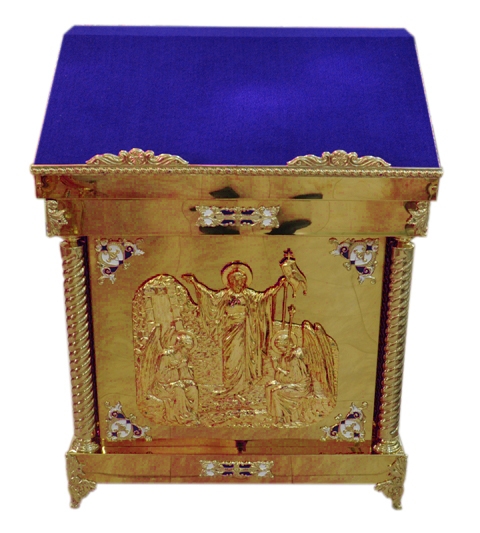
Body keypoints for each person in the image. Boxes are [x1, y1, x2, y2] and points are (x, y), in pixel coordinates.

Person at [182, 262, 285, 395]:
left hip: (244, 331)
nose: (238, 283)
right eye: (235, 280)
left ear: (244, 282)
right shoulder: (225, 295)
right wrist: (194, 283)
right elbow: (209, 296)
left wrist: (278, 286)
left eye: (240, 281)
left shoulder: (249, 295)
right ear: (230, 282)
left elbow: (264, 297)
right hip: (228, 331)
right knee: (230, 360)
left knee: (241, 357)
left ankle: (242, 386)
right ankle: (230, 386)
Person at [148, 331, 199, 424]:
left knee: (193, 390)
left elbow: (186, 376)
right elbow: (160, 376)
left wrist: (188, 381)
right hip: (164, 386)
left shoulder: (184, 359)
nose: (187, 352)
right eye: (186, 349)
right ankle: (181, 415)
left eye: (189, 349)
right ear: (180, 347)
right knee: (178, 391)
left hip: (179, 384)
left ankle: (193, 414)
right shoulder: (166, 357)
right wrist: (175, 369)